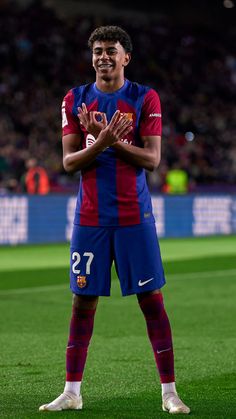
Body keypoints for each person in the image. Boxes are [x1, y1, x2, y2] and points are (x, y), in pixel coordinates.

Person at [39, 25, 190, 415]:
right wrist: (101, 142)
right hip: (89, 219)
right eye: (98, 51)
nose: (104, 56)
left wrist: (108, 141)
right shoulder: (75, 99)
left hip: (133, 217)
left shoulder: (144, 98)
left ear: (126, 58)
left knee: (151, 301)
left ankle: (169, 393)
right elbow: (68, 162)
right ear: (92, 58)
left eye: (111, 50)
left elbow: (152, 160)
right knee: (82, 302)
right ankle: (72, 392)